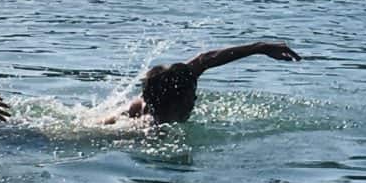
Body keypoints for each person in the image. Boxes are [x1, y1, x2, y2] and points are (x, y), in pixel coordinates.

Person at [100, 41, 300, 126]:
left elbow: (206, 59)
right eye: (191, 96)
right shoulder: (152, 129)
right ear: (178, 101)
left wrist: (261, 48)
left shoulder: (170, 83)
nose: (195, 98)